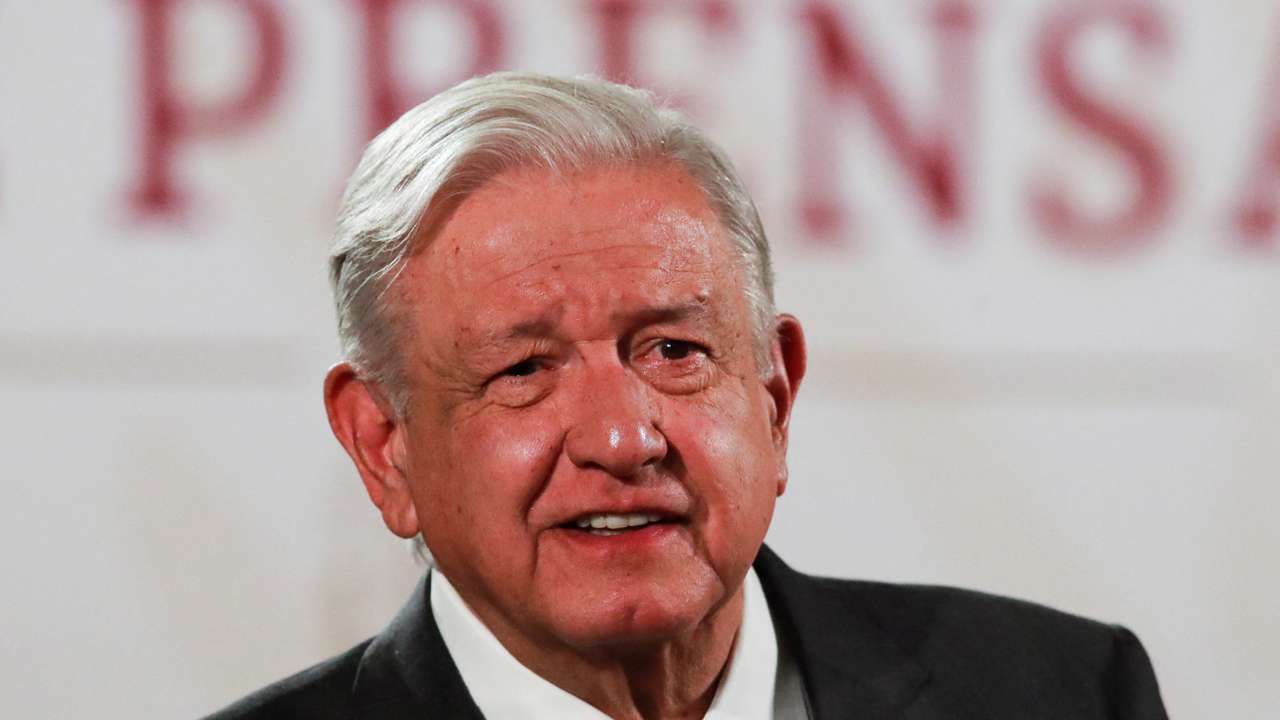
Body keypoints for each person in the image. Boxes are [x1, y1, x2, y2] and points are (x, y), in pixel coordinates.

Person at [207, 72, 1168, 719]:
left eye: (674, 349)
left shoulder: (1063, 694)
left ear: (775, 397)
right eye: (524, 370)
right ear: (384, 445)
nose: (624, 439)